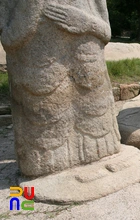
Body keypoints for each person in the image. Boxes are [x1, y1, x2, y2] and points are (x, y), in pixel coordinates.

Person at [1, 0, 120, 177]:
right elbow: (9, 39)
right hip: (40, 80)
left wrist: (87, 23)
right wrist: (31, 9)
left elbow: (106, 31)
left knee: (99, 138)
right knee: (43, 154)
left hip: (90, 77)